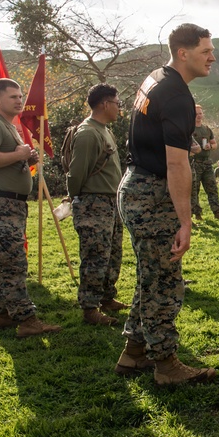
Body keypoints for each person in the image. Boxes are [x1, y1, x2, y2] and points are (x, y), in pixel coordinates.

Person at [114, 22, 217, 385]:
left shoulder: (155, 77)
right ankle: (167, 365)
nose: (212, 57)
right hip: (151, 194)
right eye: (206, 51)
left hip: (134, 186)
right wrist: (185, 222)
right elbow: (177, 163)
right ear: (183, 53)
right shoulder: (176, 96)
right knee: (164, 281)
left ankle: (134, 352)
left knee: (149, 276)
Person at [0, 78, 60, 337]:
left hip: (11, 204)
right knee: (12, 262)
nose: (19, 100)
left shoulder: (8, 126)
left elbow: (7, 158)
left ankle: (0, 314)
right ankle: (27, 320)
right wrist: (20, 155)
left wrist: (26, 156)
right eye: (13, 96)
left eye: (20, 96)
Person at [66, 83, 126, 327]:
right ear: (104, 104)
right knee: (95, 256)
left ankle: (106, 297)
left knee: (112, 253)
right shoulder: (88, 132)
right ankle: (90, 308)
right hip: (94, 202)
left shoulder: (105, 130)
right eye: (117, 103)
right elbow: (76, 173)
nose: (119, 108)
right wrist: (79, 199)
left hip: (111, 202)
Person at [189, 105, 219, 220]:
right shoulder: (189, 129)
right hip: (194, 163)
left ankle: (217, 212)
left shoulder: (207, 129)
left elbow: (215, 144)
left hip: (207, 163)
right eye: (196, 113)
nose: (198, 116)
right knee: (194, 190)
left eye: (200, 113)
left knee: (212, 188)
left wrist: (210, 146)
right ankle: (197, 214)